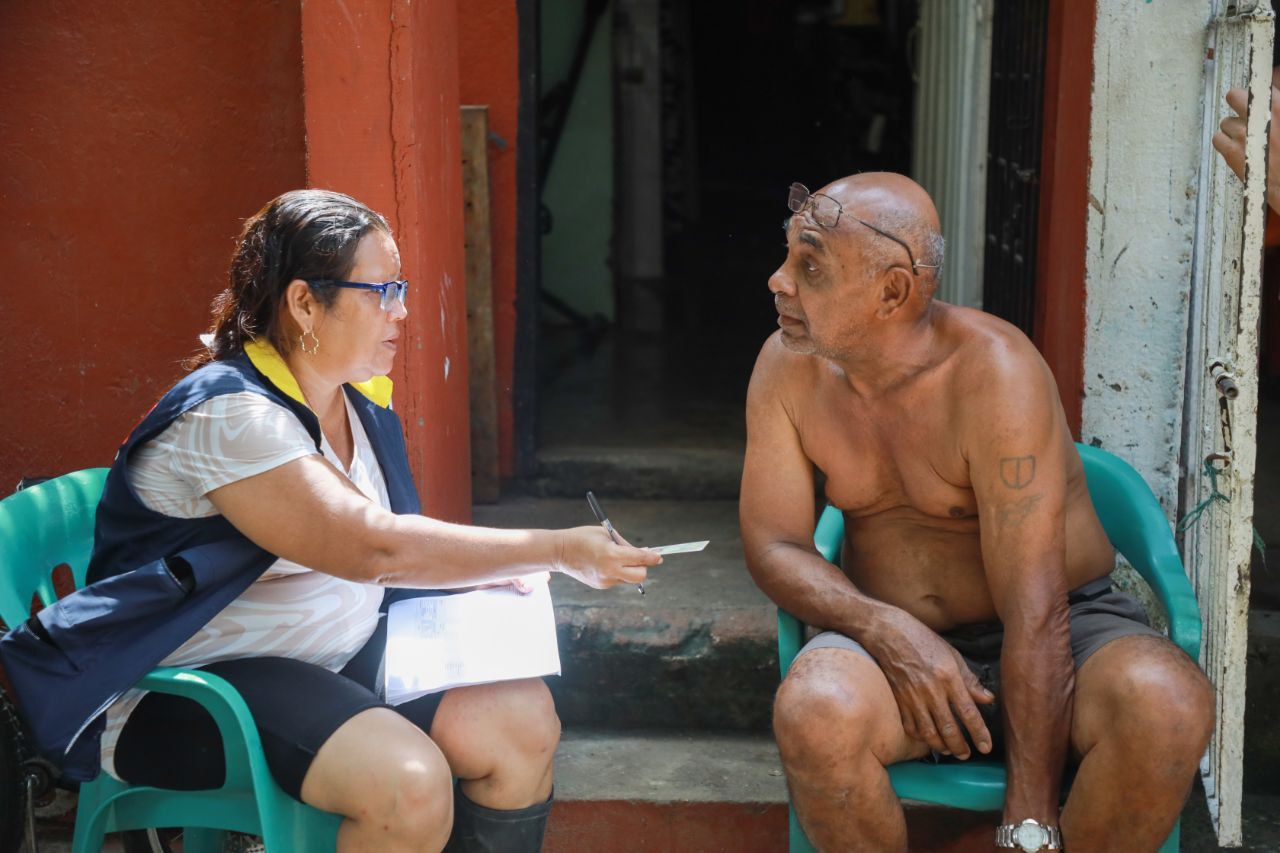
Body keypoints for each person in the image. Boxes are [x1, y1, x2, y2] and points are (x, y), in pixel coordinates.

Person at [1, 189, 661, 852]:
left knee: (519, 722)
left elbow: (384, 549)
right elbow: (372, 548)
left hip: (333, 654)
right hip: (193, 688)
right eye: (381, 291)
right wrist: (557, 549)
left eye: (401, 289)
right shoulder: (231, 417)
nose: (401, 311)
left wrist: (470, 575)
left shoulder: (352, 396)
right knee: (407, 783)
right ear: (303, 303)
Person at [740, 174, 1214, 851]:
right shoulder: (786, 366)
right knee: (815, 709)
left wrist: (1028, 824)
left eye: (809, 266)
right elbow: (775, 545)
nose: (778, 280)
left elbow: (1037, 609)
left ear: (892, 292)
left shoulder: (995, 372)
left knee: (1167, 703)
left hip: (1064, 630)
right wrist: (886, 628)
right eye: (787, 254)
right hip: (892, 643)